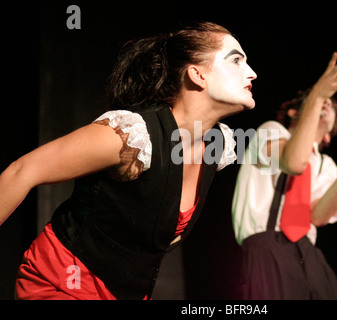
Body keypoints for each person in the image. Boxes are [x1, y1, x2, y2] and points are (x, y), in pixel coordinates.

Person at [0, 22, 257, 300]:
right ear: (197, 75)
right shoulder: (135, 135)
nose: (251, 73)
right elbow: (23, 171)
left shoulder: (216, 146)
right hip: (60, 283)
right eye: (236, 60)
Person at [231, 53, 337, 299]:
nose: (327, 103)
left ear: (329, 135)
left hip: (308, 251)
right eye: (320, 101)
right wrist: (317, 96)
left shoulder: (326, 164)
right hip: (267, 245)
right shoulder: (271, 131)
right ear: (295, 113)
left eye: (332, 107)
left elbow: (318, 216)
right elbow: (293, 162)